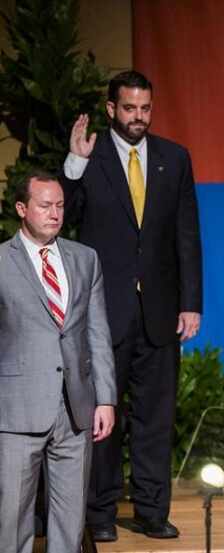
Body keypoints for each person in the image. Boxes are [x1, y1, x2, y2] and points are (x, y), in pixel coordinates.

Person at [60, 70, 203, 541]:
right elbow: (65, 218)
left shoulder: (174, 158)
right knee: (103, 415)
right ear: (111, 109)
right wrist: (74, 165)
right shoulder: (90, 155)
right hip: (103, 312)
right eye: (129, 109)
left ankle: (151, 510)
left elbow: (187, 235)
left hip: (161, 312)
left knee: (156, 417)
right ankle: (99, 514)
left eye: (145, 109)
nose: (138, 117)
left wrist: (191, 303)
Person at [0, 171, 116, 553]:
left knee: (69, 521)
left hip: (76, 408)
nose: (55, 213)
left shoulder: (85, 259)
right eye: (45, 205)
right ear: (22, 209)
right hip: (16, 410)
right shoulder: (1, 261)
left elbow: (97, 332)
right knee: (11, 520)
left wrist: (106, 399)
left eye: (60, 205)